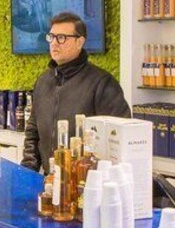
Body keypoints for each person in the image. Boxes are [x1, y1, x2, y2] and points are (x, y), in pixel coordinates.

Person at [22, 12, 131, 172]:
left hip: (87, 181)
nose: (54, 43)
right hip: (50, 179)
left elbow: (120, 140)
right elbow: (33, 131)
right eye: (51, 37)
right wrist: (27, 173)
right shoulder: (43, 81)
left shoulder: (102, 83)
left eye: (61, 38)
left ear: (80, 42)